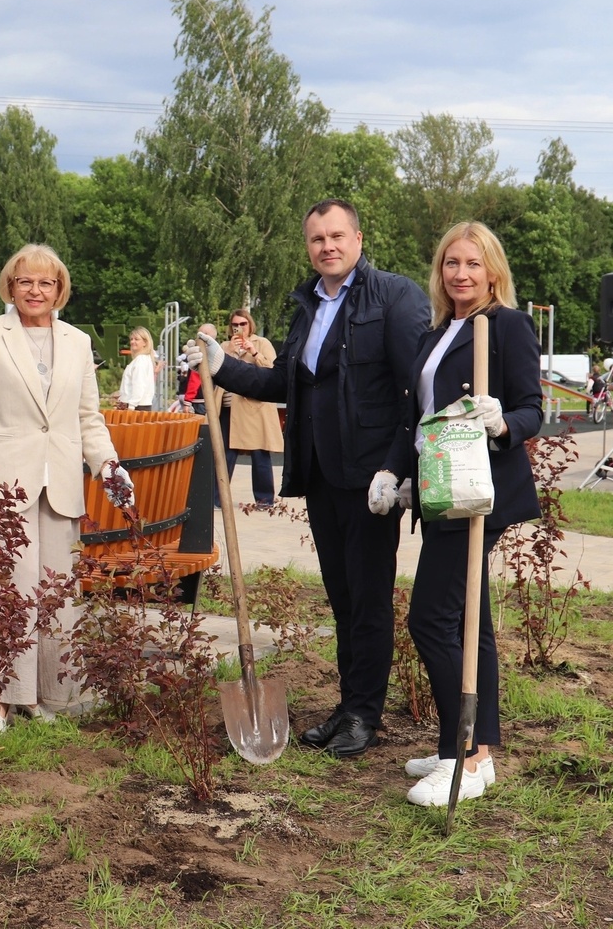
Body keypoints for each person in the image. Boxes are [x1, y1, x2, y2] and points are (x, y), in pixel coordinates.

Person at [185, 198, 430, 757]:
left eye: (338, 236)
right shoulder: (308, 305)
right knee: (342, 597)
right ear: (309, 246)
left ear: (359, 239)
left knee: (368, 598)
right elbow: (285, 383)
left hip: (372, 479)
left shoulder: (394, 297)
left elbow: (414, 393)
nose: (328, 246)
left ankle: (365, 714)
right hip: (320, 473)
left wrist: (398, 468)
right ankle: (349, 705)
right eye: (318, 239)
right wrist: (222, 365)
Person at [368, 221, 540, 806]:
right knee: (473, 625)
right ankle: (477, 753)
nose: (461, 274)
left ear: (493, 271)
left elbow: (532, 411)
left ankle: (459, 755)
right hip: (440, 488)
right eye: (450, 264)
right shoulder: (435, 333)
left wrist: (501, 423)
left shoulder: (509, 327)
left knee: (432, 620)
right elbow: (411, 419)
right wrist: (394, 472)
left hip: (477, 490)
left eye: (472, 263)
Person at [0, 244, 134, 729]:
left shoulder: (75, 341)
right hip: (1, 485)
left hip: (60, 486)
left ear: (60, 290)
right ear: (10, 287)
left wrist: (109, 466)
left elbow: (87, 418)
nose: (36, 290)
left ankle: (44, 696)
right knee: (6, 593)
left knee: (55, 595)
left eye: (46, 283)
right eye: (25, 281)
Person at [215, 309, 283, 509]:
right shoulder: (225, 346)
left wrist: (253, 351)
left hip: (253, 408)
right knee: (224, 454)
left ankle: (264, 500)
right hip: (228, 407)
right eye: (235, 324)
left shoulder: (262, 343)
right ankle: (217, 499)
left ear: (250, 324)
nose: (239, 328)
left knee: (259, 452)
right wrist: (232, 353)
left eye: (243, 324)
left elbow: (273, 371)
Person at [118, 327, 157, 411]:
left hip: (136, 407)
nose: (132, 342)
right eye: (131, 339)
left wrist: (131, 406)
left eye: (136, 339)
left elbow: (139, 384)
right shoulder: (144, 359)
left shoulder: (141, 360)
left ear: (145, 343)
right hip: (138, 405)